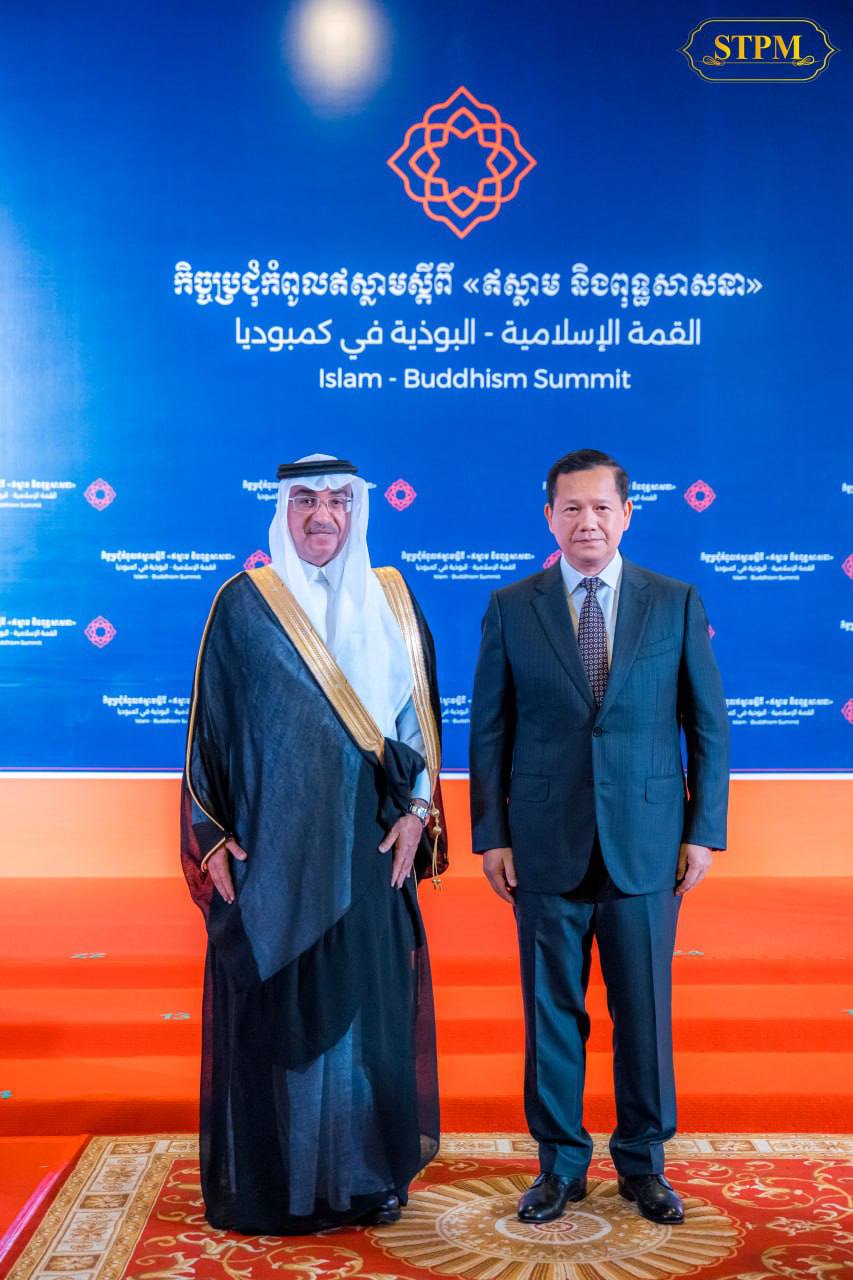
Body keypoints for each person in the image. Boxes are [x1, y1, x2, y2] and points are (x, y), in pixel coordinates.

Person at [181, 453, 447, 1235]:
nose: (321, 515)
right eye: (304, 501)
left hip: (370, 847)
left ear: (357, 510)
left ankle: (364, 1179)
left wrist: (417, 812)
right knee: (285, 1016)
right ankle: (283, 1184)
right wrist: (212, 839)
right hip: (274, 854)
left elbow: (418, 724)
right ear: (282, 511)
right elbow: (208, 730)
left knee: (363, 1012)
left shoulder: (393, 599)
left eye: (336, 500)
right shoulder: (243, 603)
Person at [469, 448, 729, 1226]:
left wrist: (702, 832)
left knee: (642, 1013)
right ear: (548, 516)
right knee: (551, 1012)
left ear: (626, 515)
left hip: (645, 842)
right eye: (570, 508)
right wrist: (492, 835)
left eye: (601, 508)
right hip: (542, 843)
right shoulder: (511, 606)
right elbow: (490, 731)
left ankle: (643, 1164)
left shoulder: (672, 601)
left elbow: (706, 725)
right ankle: (558, 1165)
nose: (587, 522)